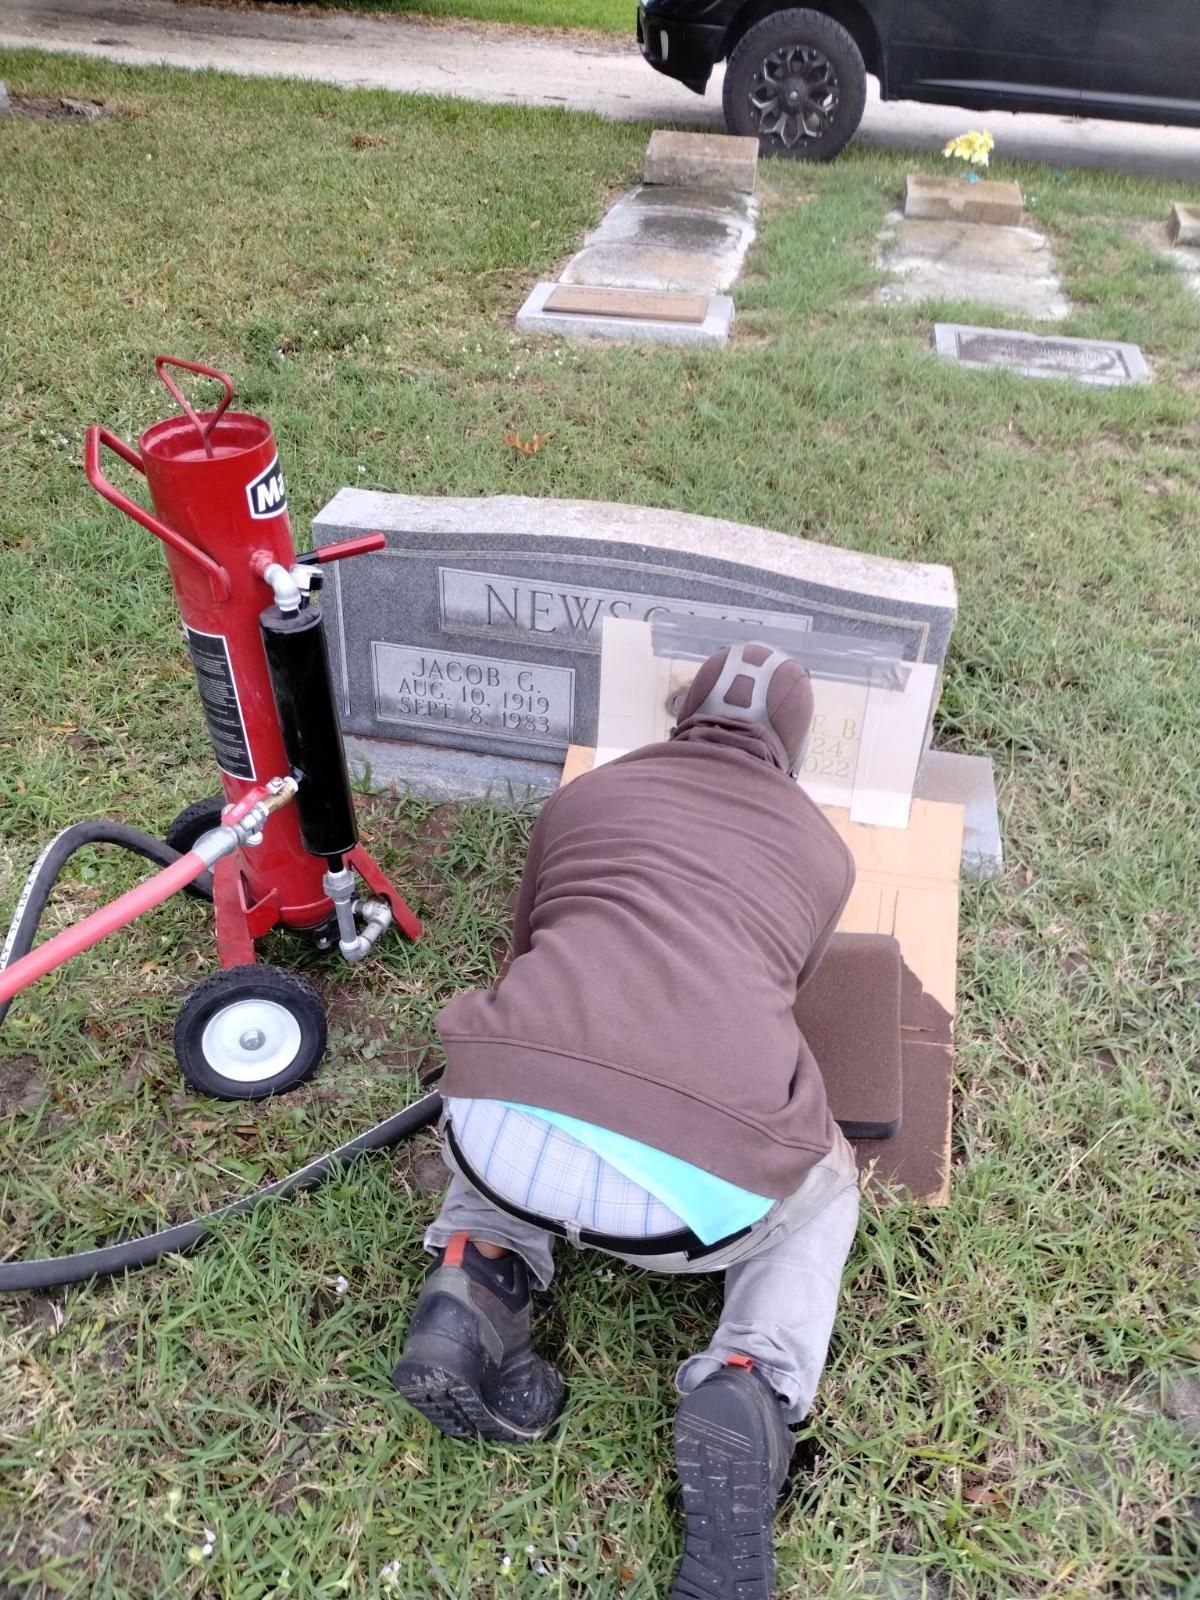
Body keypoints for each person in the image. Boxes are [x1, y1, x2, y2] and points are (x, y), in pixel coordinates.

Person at [392, 642, 861, 1600]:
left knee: (537, 1051)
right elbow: (782, 1000)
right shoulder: (825, 853)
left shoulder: (586, 796)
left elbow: (526, 941)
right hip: (681, 1207)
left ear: (681, 717)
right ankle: (751, 1379)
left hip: (492, 1129)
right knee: (826, 1188)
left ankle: (470, 1277)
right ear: (795, 753)